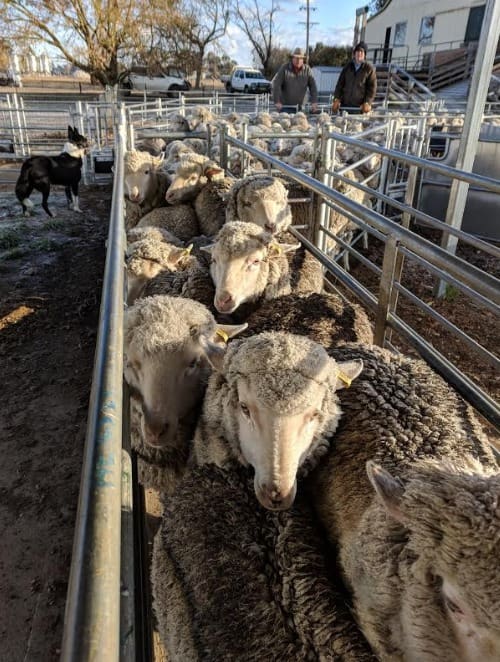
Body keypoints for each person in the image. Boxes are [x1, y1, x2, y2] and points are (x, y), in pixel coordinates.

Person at [332, 41, 377, 114]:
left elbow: (372, 88)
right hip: (345, 107)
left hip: (359, 108)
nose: (359, 53)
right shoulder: (347, 67)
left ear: (364, 54)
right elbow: (340, 84)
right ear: (354, 53)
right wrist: (336, 99)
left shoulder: (369, 69)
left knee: (356, 125)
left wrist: (367, 102)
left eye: (361, 52)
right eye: (357, 51)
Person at [272, 47, 318, 113]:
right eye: (296, 58)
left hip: (301, 108)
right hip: (286, 107)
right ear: (292, 58)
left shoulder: (308, 70)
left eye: (300, 58)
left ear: (303, 59)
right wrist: (277, 101)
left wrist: (314, 101)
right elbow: (277, 84)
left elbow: (313, 87)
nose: (298, 60)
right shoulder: (284, 68)